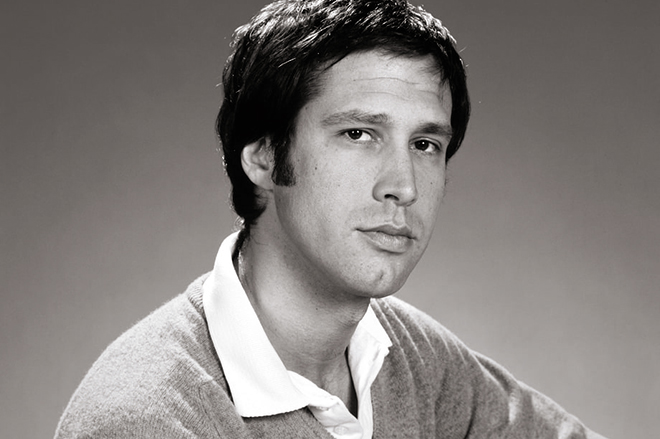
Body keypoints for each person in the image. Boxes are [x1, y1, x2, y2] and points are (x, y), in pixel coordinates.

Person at [55, 0, 607, 437]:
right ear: (264, 158)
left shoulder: (409, 356)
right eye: (358, 134)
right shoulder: (146, 418)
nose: (404, 186)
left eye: (425, 144)